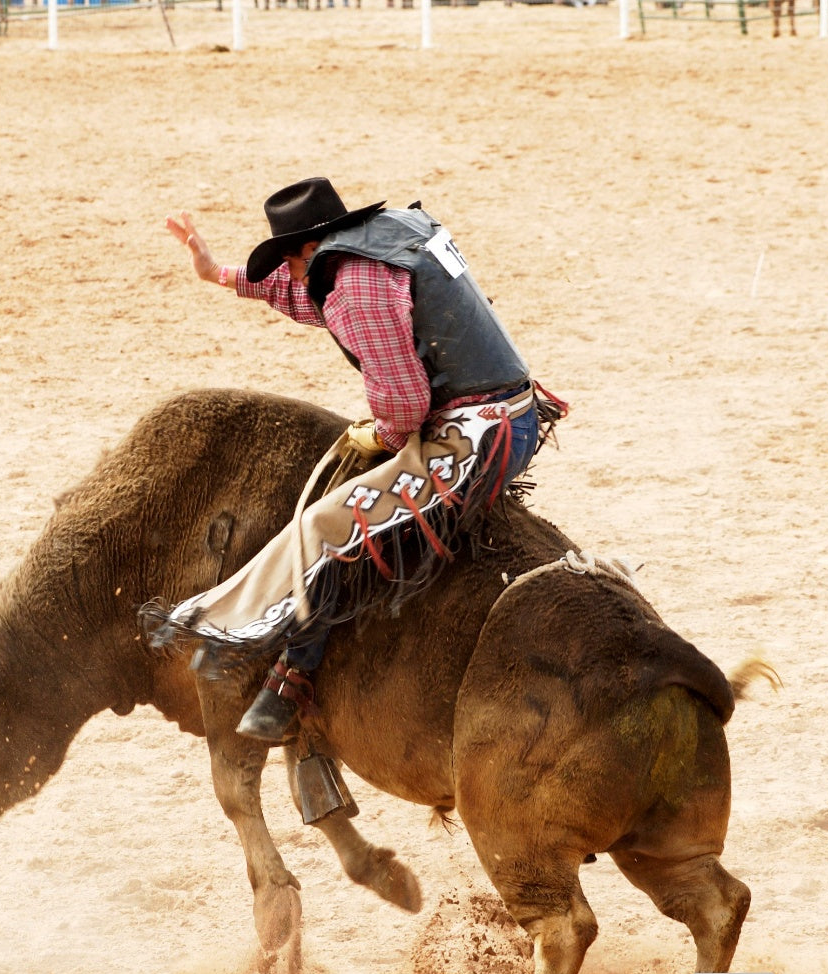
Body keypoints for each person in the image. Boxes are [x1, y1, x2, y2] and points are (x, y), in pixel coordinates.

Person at [161, 177, 545, 745]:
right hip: (510, 410)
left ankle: (292, 677)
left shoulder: (353, 289)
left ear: (309, 251)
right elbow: (305, 296)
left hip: (477, 436)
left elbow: (406, 404)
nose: (292, 277)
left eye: (290, 264)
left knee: (329, 523)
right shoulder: (387, 238)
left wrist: (383, 435)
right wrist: (219, 273)